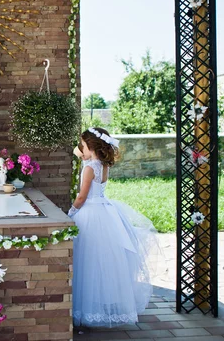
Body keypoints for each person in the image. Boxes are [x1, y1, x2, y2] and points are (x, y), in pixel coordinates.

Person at [69, 127, 156, 328]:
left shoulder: (89, 168)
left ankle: (87, 307)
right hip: (105, 210)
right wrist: (84, 157)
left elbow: (82, 196)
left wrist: (71, 212)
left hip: (90, 213)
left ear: (90, 146)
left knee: (88, 258)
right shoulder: (102, 165)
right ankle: (101, 303)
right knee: (103, 260)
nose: (80, 148)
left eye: (82, 145)